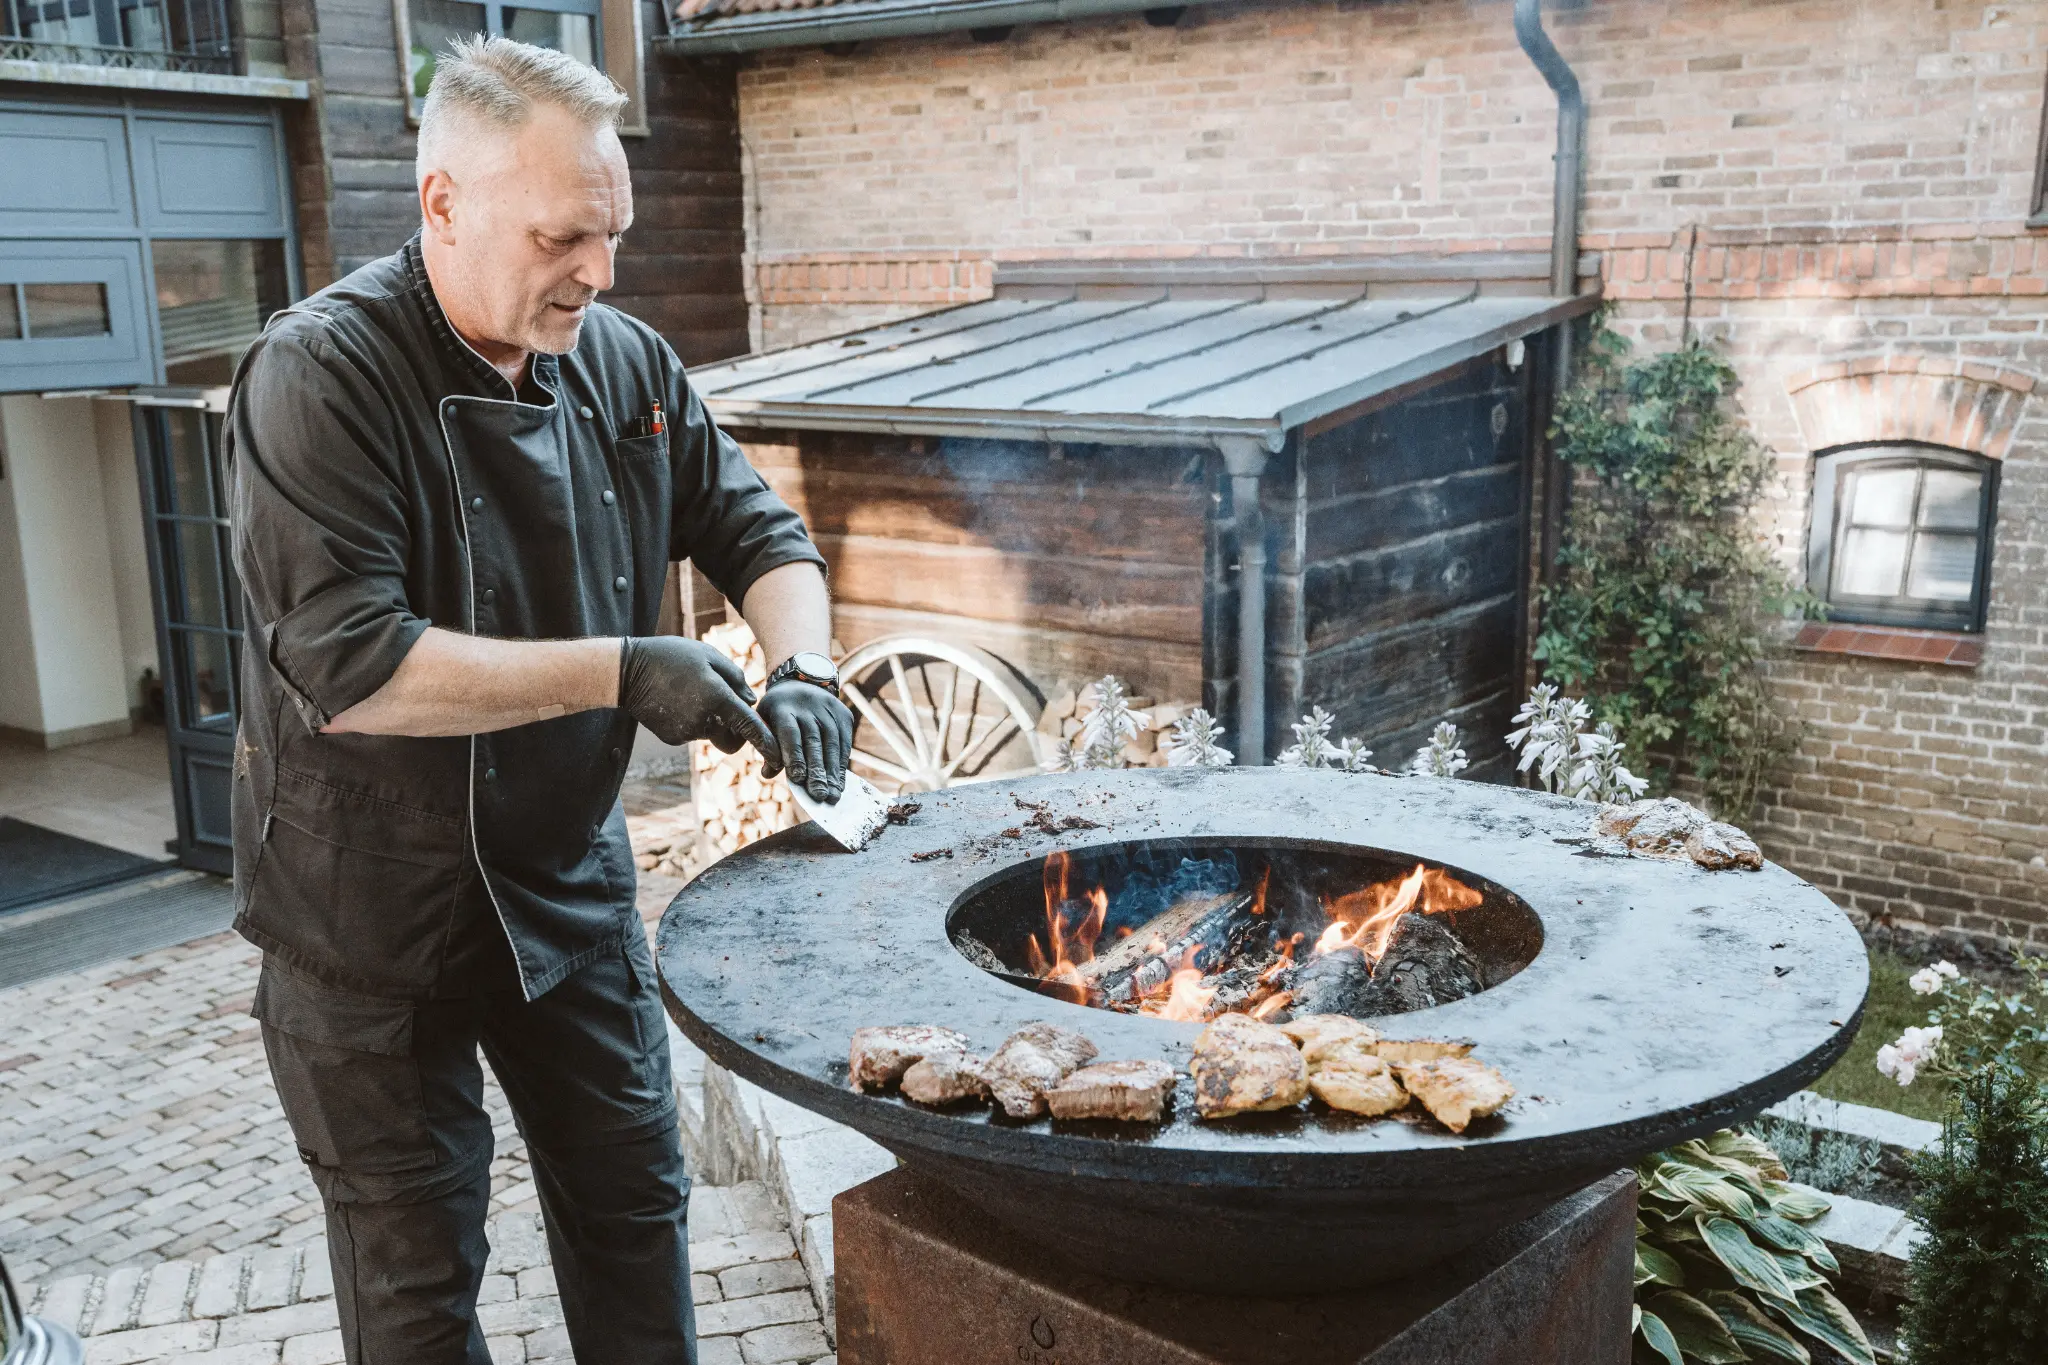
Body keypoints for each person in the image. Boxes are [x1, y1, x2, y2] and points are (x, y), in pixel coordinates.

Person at [225, 35, 852, 1364]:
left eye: (612, 233)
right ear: (443, 202)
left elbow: (761, 535)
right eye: (564, 237)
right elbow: (354, 664)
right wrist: (625, 669)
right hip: (369, 922)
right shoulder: (320, 374)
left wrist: (805, 666)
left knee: (635, 1207)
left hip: (564, 885)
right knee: (416, 1283)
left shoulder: (622, 362)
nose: (600, 271)